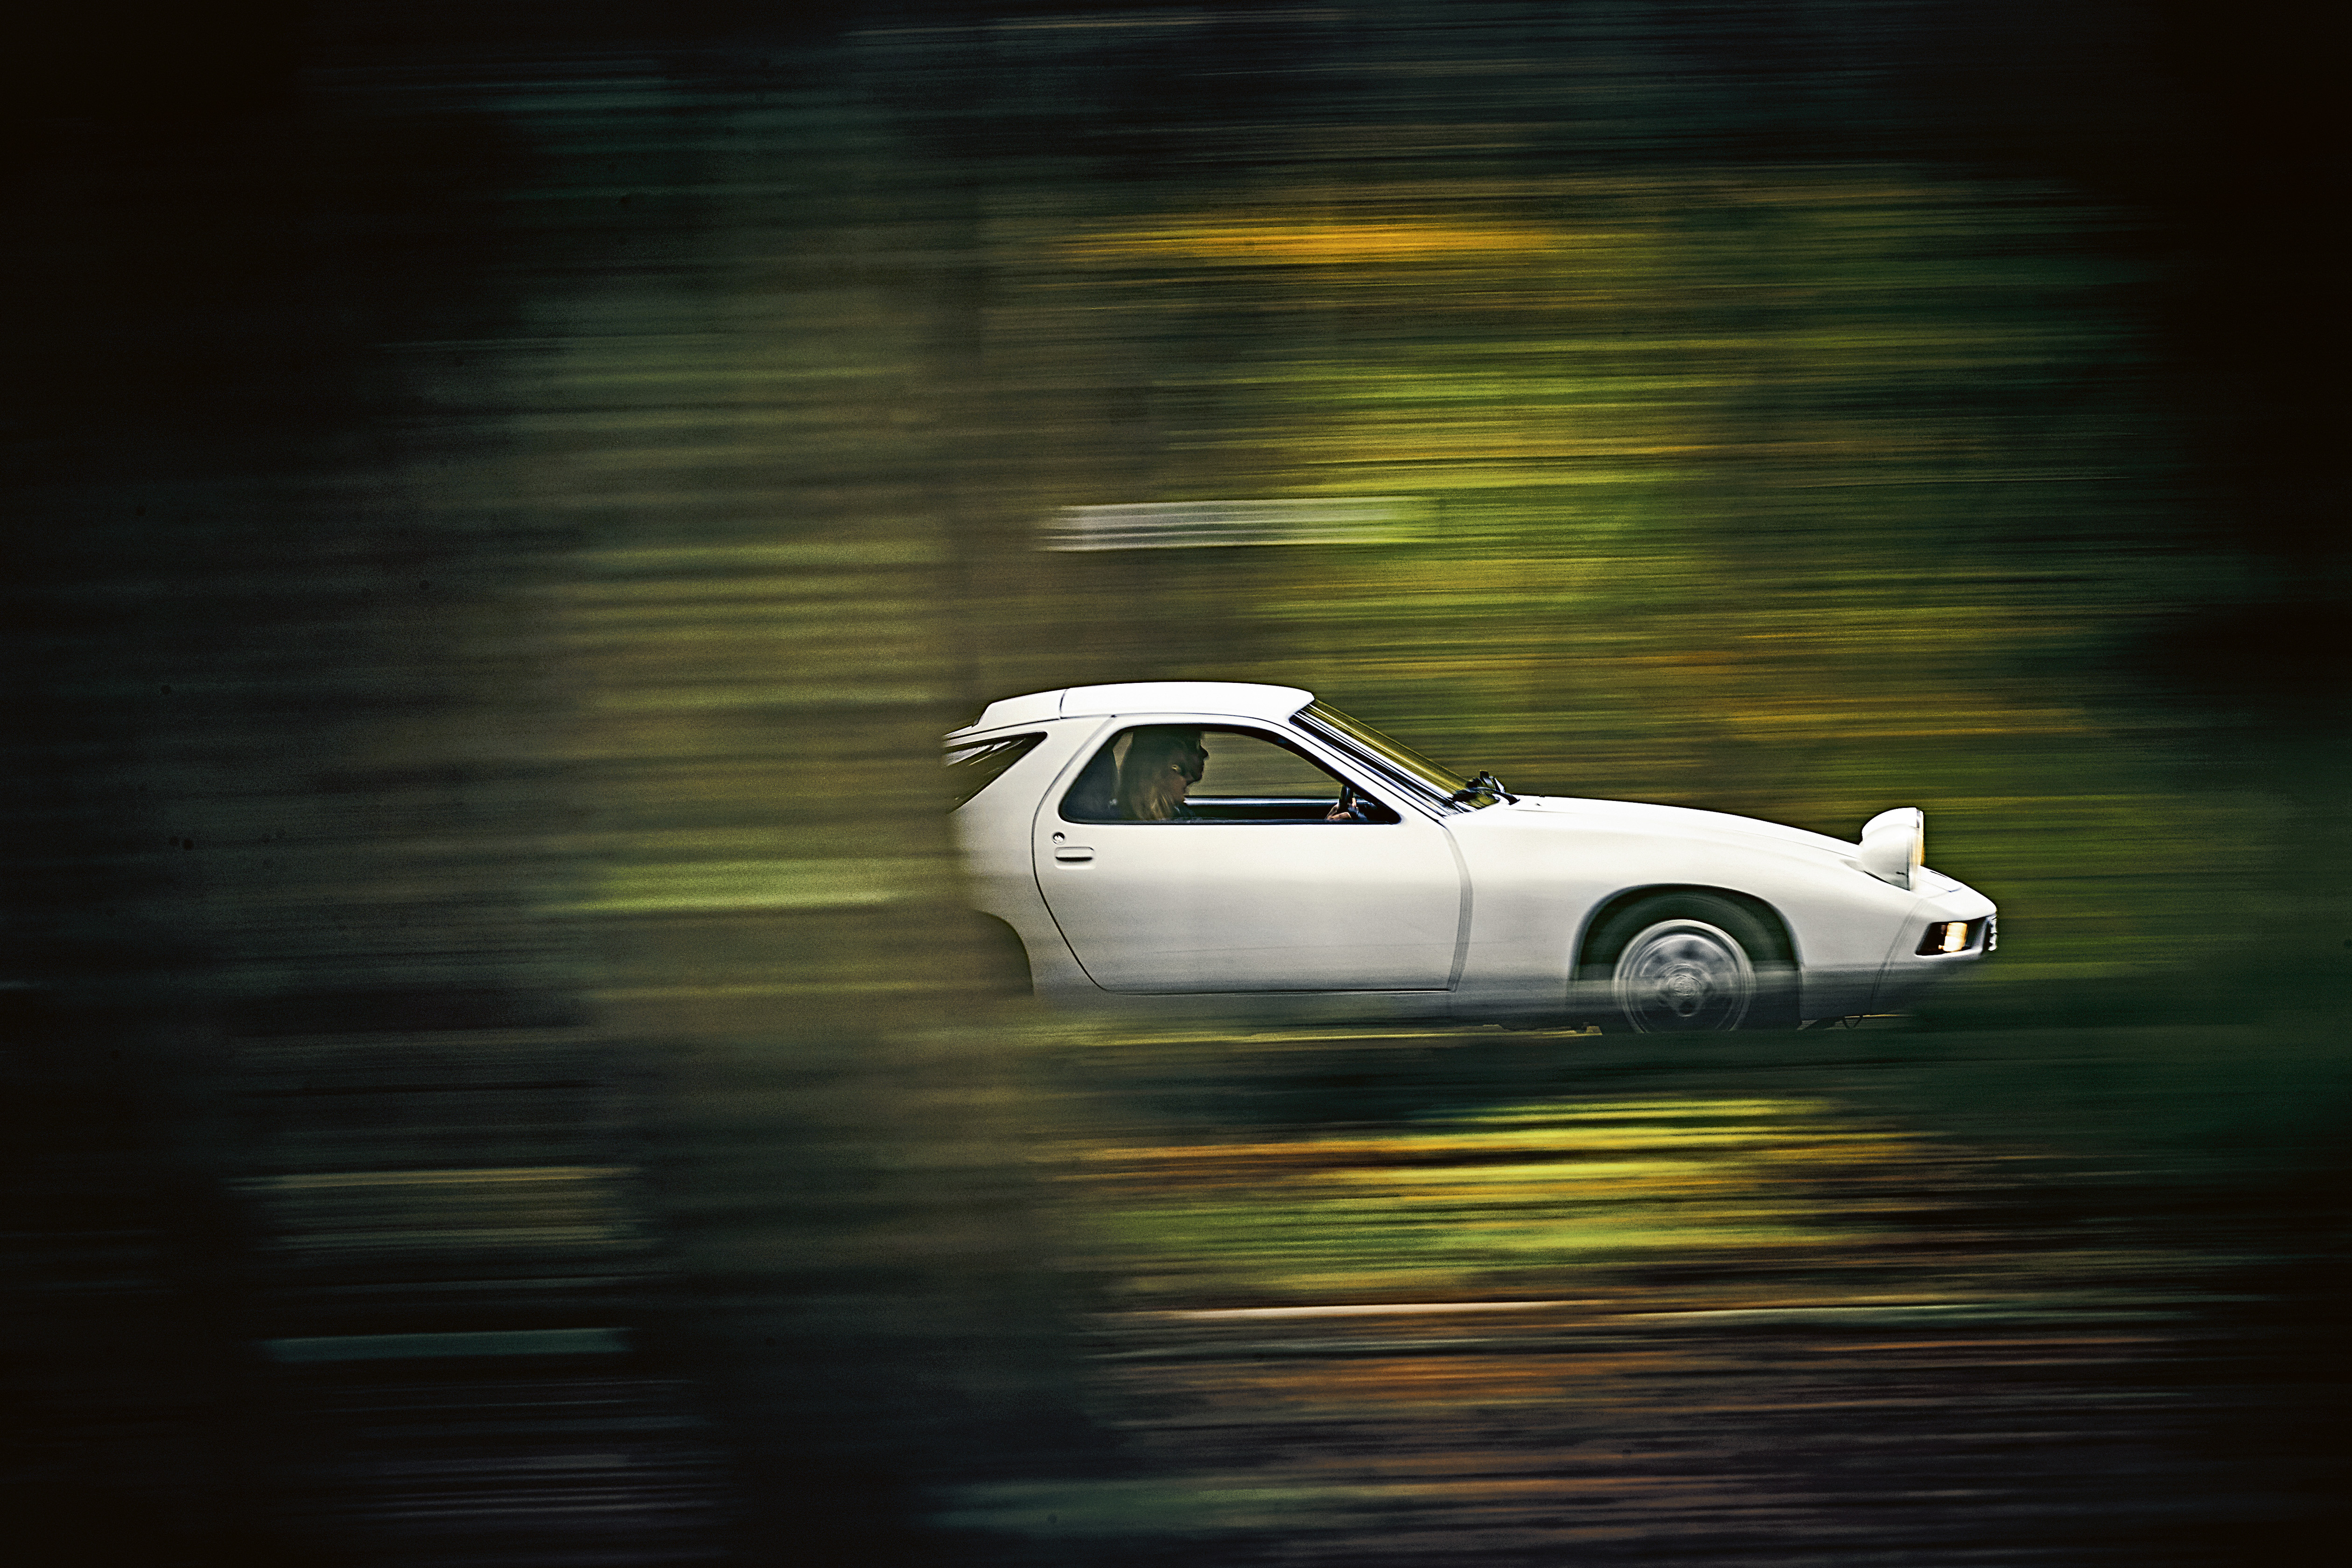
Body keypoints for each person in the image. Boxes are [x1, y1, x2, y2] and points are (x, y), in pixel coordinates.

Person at [1116, 727, 1206, 821]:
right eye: (1178, 769)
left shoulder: (1180, 813)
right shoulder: (1135, 823)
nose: (1186, 779)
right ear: (1155, 776)